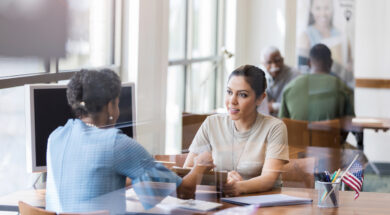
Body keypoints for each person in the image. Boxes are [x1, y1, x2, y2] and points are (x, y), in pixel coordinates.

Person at [45, 69, 212, 213]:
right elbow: (182, 192)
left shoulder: (56, 136)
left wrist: (134, 176)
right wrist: (200, 167)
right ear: (110, 106)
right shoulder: (116, 143)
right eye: (117, 103)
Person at [183, 65, 289, 196]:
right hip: (220, 201)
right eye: (229, 92)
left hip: (263, 205)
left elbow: (268, 179)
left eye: (242, 95)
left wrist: (239, 186)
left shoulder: (275, 127)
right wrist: (222, 178)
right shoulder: (211, 123)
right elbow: (187, 171)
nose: (232, 101)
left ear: (260, 98)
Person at [279, 44, 355, 121]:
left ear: (308, 63)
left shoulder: (289, 88)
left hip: (298, 133)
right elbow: (351, 123)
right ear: (331, 63)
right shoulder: (343, 87)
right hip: (330, 133)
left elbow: (282, 122)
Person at [297, 0, 353, 86]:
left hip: (340, 85)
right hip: (316, 86)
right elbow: (302, 69)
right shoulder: (306, 36)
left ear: (332, 9)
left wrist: (349, 66)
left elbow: (350, 63)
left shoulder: (340, 34)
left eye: (327, 8)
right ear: (311, 10)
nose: (323, 13)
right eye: (318, 8)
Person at [261, 46, 299, 116]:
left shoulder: (294, 74)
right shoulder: (260, 74)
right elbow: (258, 105)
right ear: (263, 64)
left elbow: (296, 105)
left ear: (282, 60)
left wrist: (273, 106)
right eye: (269, 62)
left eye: (277, 61)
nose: (274, 66)